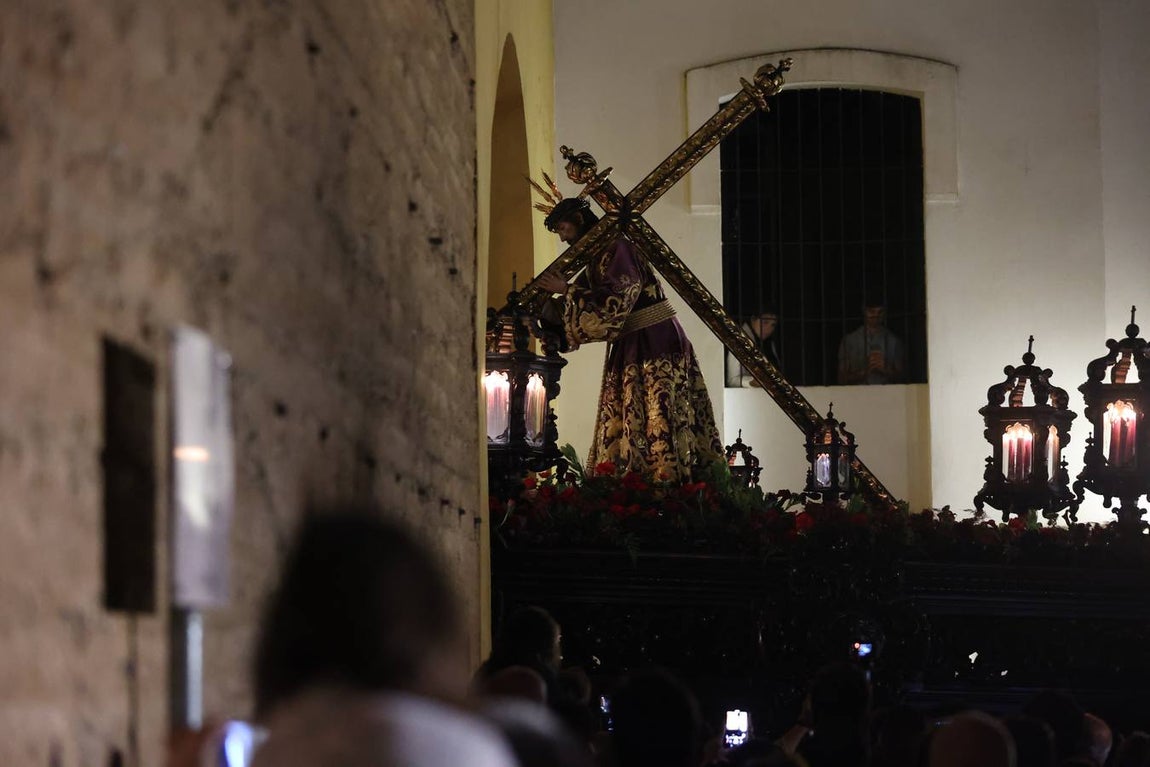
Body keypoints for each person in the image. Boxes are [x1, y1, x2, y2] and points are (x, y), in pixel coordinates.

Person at [532, 195, 724, 483]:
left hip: (655, 338)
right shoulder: (598, 258)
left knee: (659, 415)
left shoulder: (617, 247)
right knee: (633, 416)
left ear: (579, 220)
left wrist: (567, 290)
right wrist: (545, 309)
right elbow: (581, 308)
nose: (562, 238)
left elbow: (617, 299)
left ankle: (666, 483)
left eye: (563, 228)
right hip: (632, 341)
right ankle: (633, 483)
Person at [837, 302, 905, 385]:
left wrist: (886, 370)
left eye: (880, 312)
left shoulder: (894, 341)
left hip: (887, 395)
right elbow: (841, 379)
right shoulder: (849, 340)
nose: (876, 316)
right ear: (863, 311)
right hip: (856, 395)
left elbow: (903, 379)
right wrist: (863, 373)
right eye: (871, 311)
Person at [725, 310, 782, 388]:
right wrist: (752, 382)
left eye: (773, 325)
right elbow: (732, 380)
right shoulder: (739, 339)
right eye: (765, 322)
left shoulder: (769, 343)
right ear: (753, 319)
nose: (769, 328)